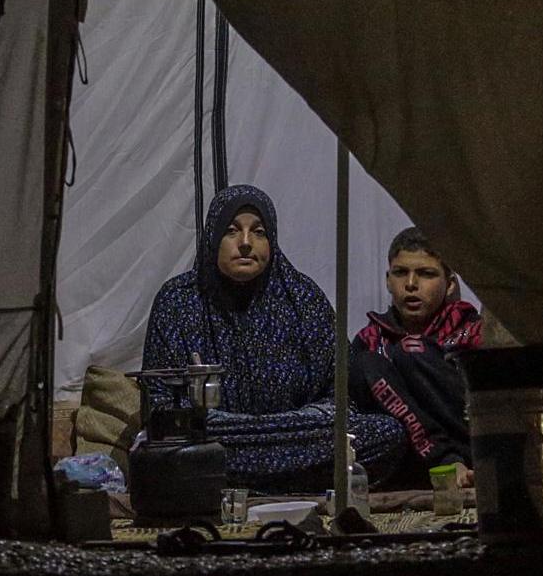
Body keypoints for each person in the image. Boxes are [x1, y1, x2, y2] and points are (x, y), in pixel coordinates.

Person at [143, 185, 406, 492]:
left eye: (258, 232)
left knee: (387, 434)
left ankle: (238, 482)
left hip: (290, 438)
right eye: (231, 231)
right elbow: (159, 405)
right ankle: (294, 482)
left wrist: (293, 424)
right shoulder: (178, 302)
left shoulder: (303, 299)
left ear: (272, 241)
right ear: (213, 239)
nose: (245, 243)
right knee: (169, 449)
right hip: (218, 439)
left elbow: (342, 397)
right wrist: (223, 425)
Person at [350, 227, 483, 486]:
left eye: (426, 274)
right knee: (366, 364)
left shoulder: (474, 334)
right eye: (401, 273)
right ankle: (444, 461)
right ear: (388, 280)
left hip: (473, 447)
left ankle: (455, 462)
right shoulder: (369, 341)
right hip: (408, 460)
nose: (411, 284)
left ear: (450, 283)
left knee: (412, 352)